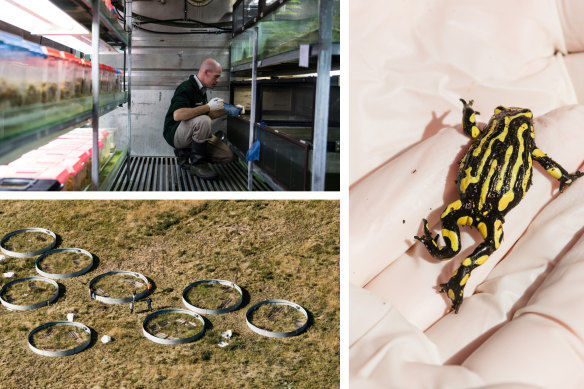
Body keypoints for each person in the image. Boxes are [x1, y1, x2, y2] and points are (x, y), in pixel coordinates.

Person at [163, 58, 234, 179]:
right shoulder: (186, 87)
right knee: (204, 121)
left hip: (192, 132)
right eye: (216, 76)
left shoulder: (202, 91)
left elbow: (207, 114)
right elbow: (178, 115)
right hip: (174, 133)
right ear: (206, 72)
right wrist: (208, 106)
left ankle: (186, 154)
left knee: (226, 155)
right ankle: (197, 164)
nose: (218, 80)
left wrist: (230, 110)